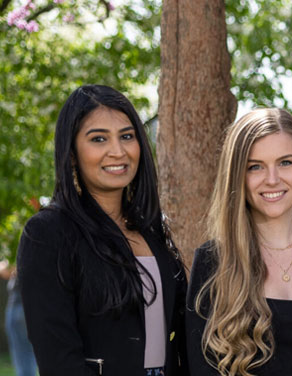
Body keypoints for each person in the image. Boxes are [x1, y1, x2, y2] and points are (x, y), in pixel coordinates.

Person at [19, 84, 188, 376]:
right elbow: (58, 360)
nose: (117, 151)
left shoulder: (152, 229)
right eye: (98, 139)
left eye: (127, 136)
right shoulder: (48, 233)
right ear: (72, 153)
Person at [185, 108, 292, 376]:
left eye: (285, 163)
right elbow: (198, 368)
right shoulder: (213, 261)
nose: (272, 179)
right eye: (255, 166)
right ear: (238, 177)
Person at [0, 260, 37, 376]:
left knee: (24, 357)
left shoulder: (24, 249)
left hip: (19, 308)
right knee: (29, 356)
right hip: (35, 309)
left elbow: (2, 269)